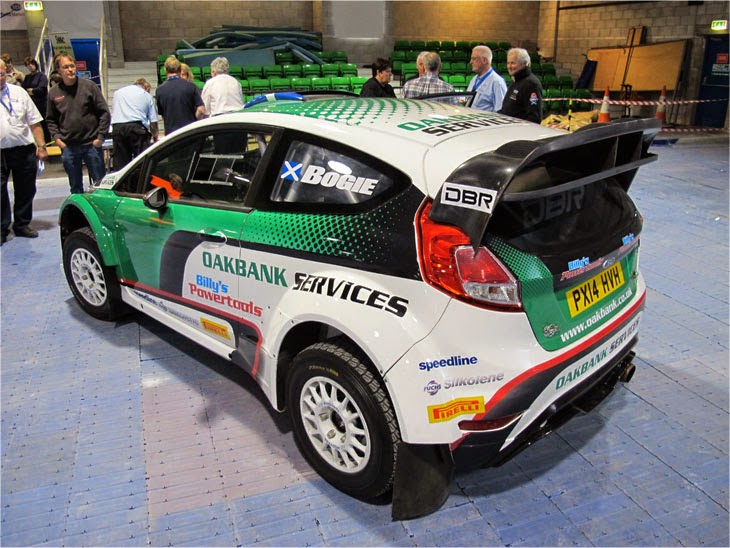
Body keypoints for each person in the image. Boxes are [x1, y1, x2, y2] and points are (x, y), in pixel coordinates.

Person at [46, 53, 110, 194]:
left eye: (72, 66)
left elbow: (104, 113)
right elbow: (50, 119)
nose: (70, 70)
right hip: (68, 147)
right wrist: (58, 139)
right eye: (65, 67)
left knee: (100, 186)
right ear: (58, 70)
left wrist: (100, 137)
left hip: (92, 144)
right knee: (75, 187)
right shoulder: (54, 92)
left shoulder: (89, 87)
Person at [0, 59, 48, 244]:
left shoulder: (19, 93)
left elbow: (34, 122)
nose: (0, 78)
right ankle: (1, 228)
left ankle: (21, 224)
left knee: (26, 189)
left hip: (23, 150)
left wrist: (41, 146)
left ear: (7, 72)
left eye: (2, 74)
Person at [110, 78, 159, 170]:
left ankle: (123, 179)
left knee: (121, 165)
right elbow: (153, 122)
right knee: (142, 162)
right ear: (147, 88)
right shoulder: (146, 95)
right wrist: (155, 137)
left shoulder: (118, 93)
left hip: (118, 128)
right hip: (136, 128)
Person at [155, 56, 205, 135]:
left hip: (171, 134)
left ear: (165, 70)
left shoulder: (159, 90)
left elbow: (163, 114)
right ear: (179, 69)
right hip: (189, 131)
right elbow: (201, 110)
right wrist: (194, 120)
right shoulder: (191, 86)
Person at [499, 47, 543, 123]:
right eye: (508, 63)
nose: (509, 66)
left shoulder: (531, 84)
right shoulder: (516, 81)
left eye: (513, 63)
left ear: (524, 63)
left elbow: (534, 117)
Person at [467, 45, 507, 112]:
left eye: (474, 58)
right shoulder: (473, 80)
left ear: (484, 60)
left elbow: (501, 111)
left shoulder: (497, 82)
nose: (471, 62)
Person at [21, 57, 50, 142]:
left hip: (41, 105)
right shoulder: (27, 77)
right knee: (34, 125)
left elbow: (42, 89)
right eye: (28, 65)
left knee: (44, 125)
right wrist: (33, 91)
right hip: (32, 104)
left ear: (35, 64)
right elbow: (24, 89)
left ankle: (48, 142)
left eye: (31, 64)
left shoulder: (42, 76)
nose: (30, 66)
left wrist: (32, 90)